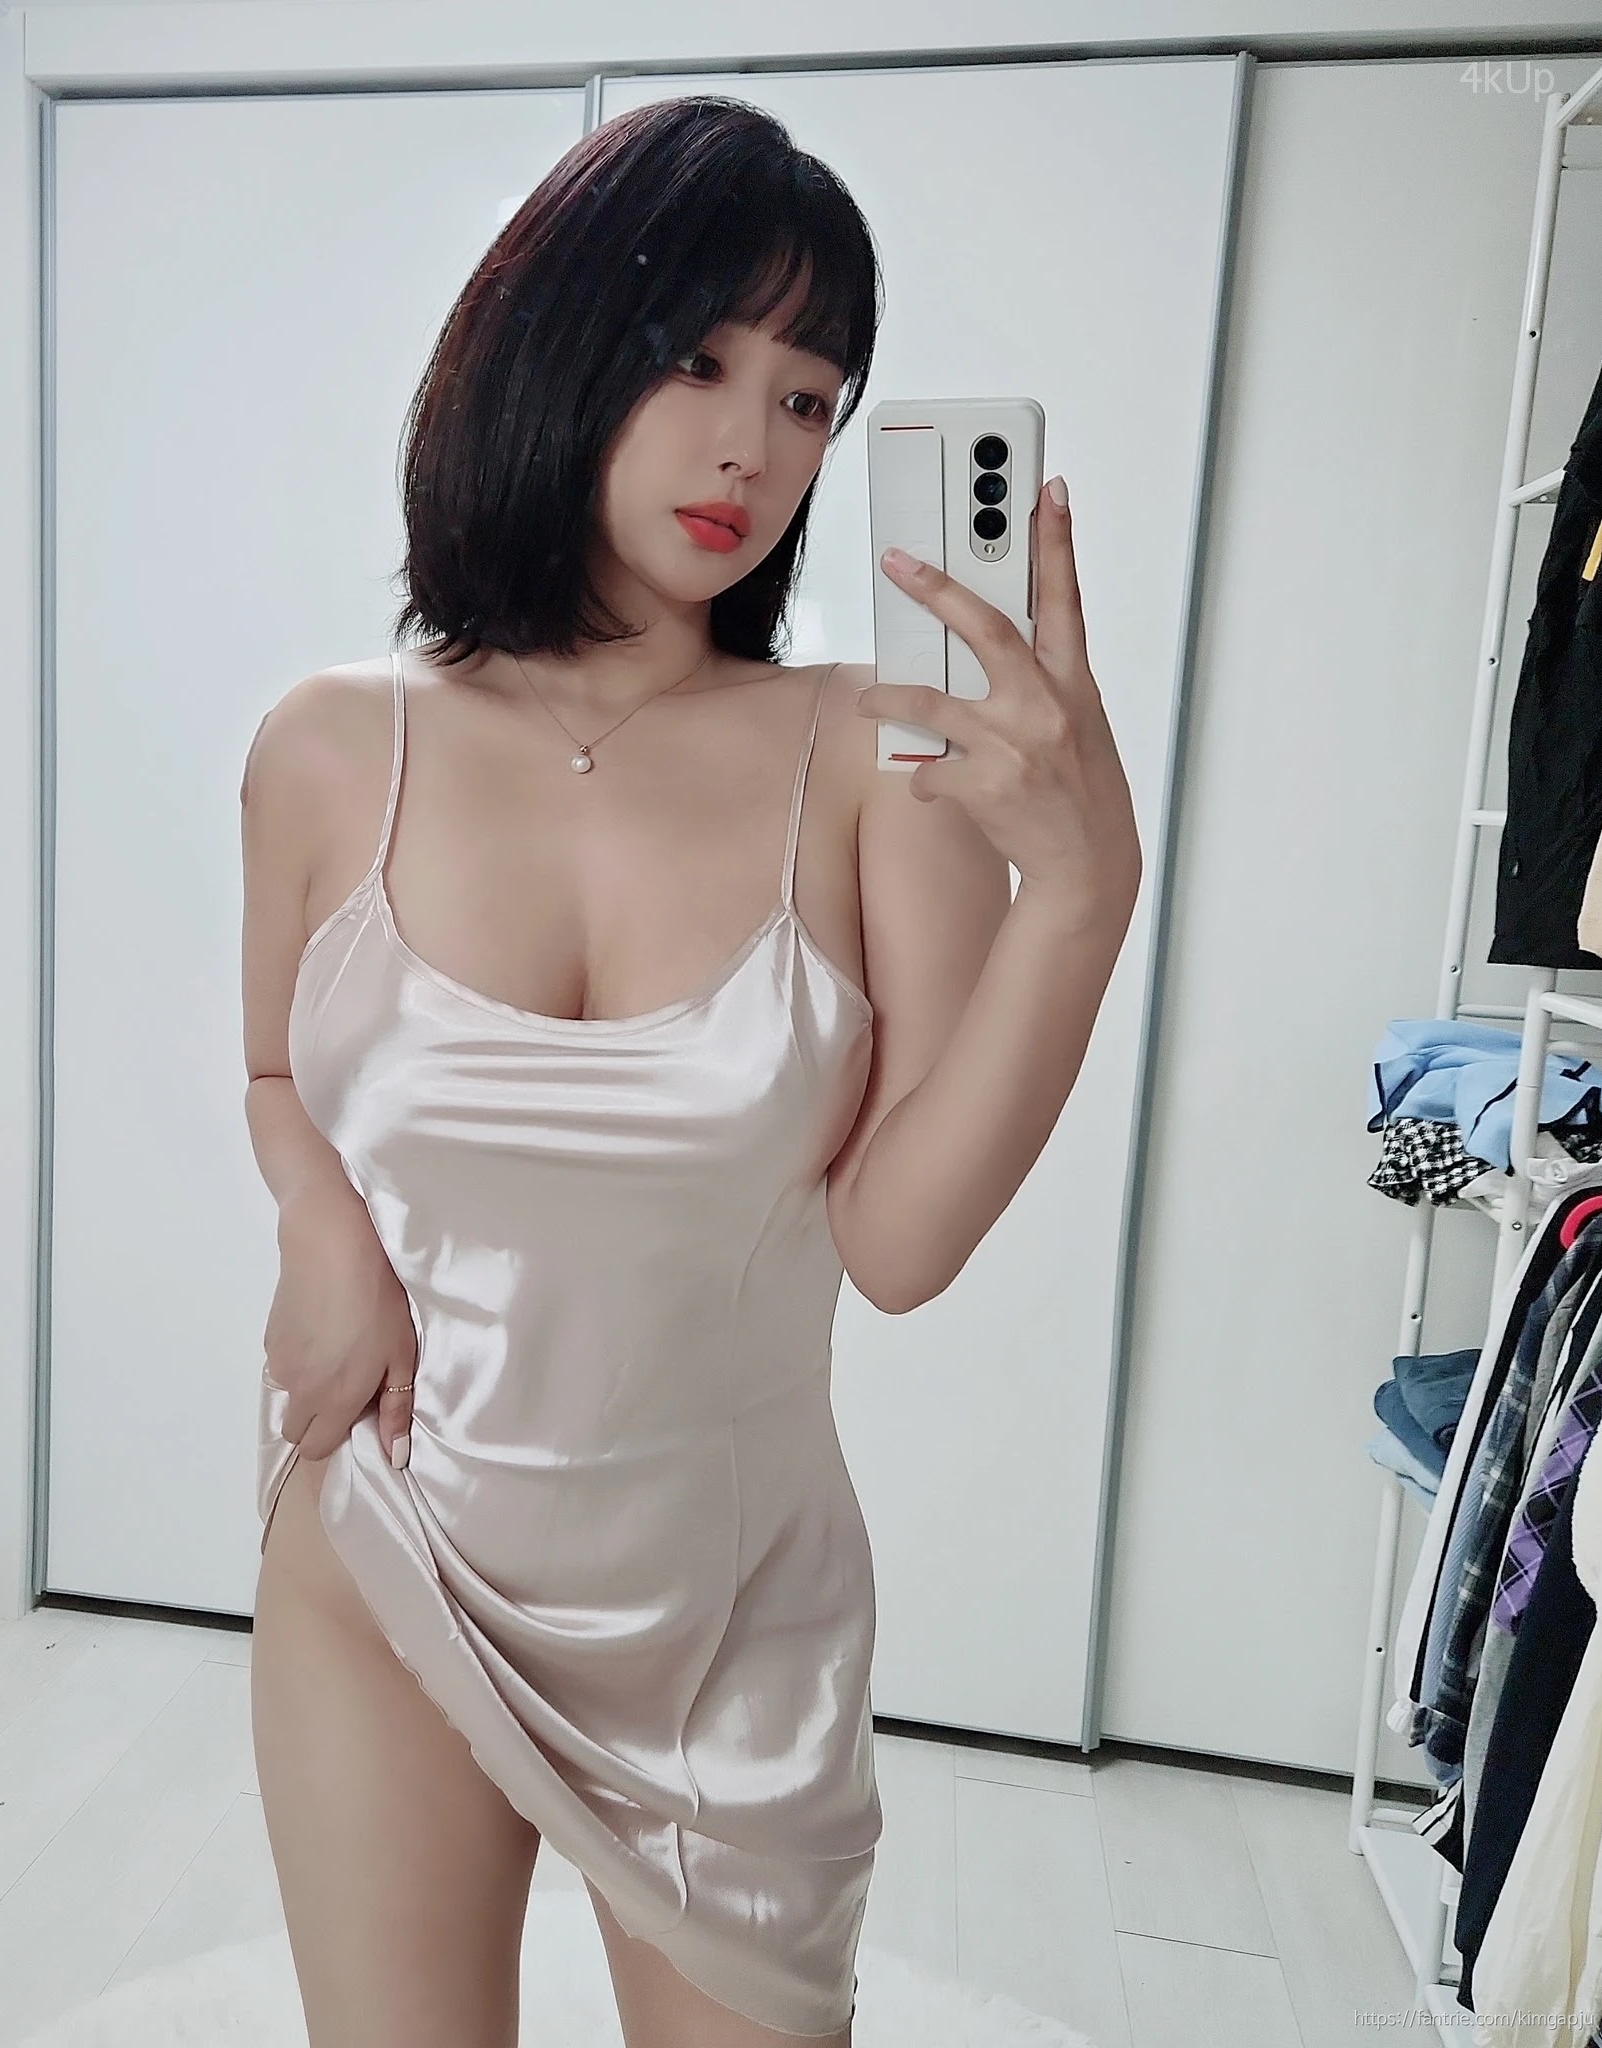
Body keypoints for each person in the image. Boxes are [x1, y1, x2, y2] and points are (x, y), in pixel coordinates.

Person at [239, 94, 1140, 2048]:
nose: (754, 444)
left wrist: (1082, 902)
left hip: (732, 1628)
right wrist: (323, 1225)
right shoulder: (327, 748)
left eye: (810, 397)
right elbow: (272, 1074)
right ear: (547, 339)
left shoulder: (870, 755)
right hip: (388, 1548)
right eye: (697, 358)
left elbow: (899, 1244)